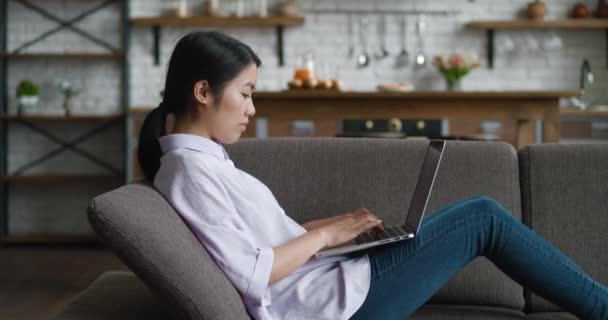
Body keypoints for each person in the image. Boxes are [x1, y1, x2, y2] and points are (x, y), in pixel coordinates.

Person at [137, 31, 608, 320]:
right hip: (333, 307)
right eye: (246, 93)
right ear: (203, 91)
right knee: (482, 216)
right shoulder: (189, 171)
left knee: (471, 216)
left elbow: (258, 245)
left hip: (333, 284)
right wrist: (327, 239)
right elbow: (254, 273)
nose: (252, 109)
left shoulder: (205, 162)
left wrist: (332, 229)